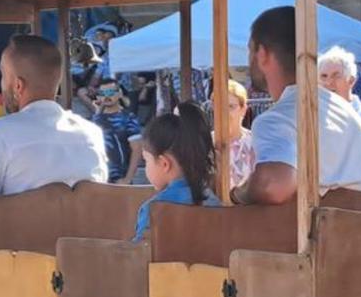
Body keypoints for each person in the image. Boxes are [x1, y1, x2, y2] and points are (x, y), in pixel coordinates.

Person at [230, 6, 361, 205]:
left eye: (250, 50)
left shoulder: (278, 118)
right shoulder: (343, 110)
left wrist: (236, 195)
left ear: (263, 54)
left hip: (327, 234)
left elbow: (272, 186)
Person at [0, 34, 107, 197]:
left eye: (3, 75)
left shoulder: (0, 133)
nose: (1, 84)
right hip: (86, 222)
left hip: (22, 223)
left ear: (18, 86)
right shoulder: (93, 134)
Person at [133, 102, 221, 242]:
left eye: (147, 160)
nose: (146, 167)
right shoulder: (214, 202)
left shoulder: (153, 210)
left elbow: (138, 257)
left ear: (164, 163)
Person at [93, 77, 143, 183]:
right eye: (103, 93)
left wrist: (127, 179)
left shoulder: (128, 118)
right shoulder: (94, 120)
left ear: (119, 93)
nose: (107, 96)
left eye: (110, 91)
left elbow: (137, 149)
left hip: (120, 180)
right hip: (98, 180)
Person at [319, 46, 361, 135]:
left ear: (351, 81)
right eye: (324, 76)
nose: (328, 82)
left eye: (336, 76)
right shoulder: (314, 113)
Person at [223, 79, 256, 189]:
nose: (224, 112)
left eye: (230, 106)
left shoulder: (255, 143)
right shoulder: (207, 142)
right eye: (220, 106)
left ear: (243, 109)